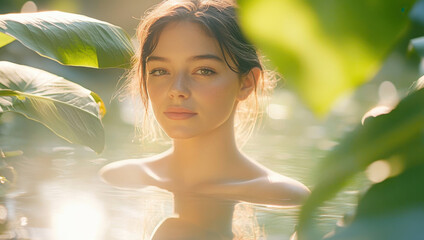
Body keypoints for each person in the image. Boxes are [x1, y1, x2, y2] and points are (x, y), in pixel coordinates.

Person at [99, 0, 310, 239]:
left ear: (247, 83)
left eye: (203, 70)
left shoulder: (284, 197)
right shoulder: (120, 180)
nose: (177, 89)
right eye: (160, 71)